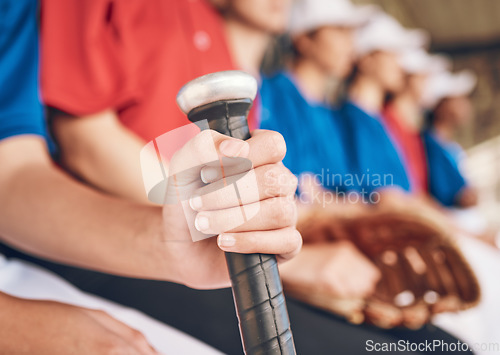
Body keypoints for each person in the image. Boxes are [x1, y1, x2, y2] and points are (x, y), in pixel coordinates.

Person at [0, 0, 301, 353]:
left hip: (116, 233)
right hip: (75, 250)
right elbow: (86, 142)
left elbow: (11, 173)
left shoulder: (207, 23)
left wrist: (168, 240)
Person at [382, 49, 451, 195]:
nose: (429, 84)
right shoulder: (386, 122)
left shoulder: (413, 129)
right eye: (423, 78)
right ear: (407, 78)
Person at [421, 70, 479, 208]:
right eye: (457, 100)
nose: (465, 105)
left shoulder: (450, 146)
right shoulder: (428, 145)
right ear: (440, 106)